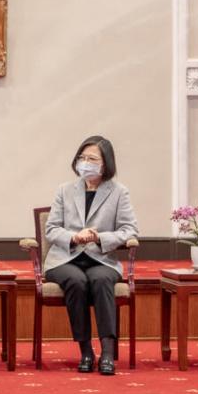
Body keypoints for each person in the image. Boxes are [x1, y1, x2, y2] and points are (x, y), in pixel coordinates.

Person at [43, 136, 139, 375]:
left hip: (100, 258)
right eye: (82, 158)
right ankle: (86, 351)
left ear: (105, 164)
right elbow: (51, 229)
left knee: (101, 279)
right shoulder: (64, 190)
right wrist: (74, 237)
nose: (85, 163)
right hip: (65, 258)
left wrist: (99, 238)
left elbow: (130, 230)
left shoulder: (119, 192)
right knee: (76, 281)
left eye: (92, 159)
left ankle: (107, 353)